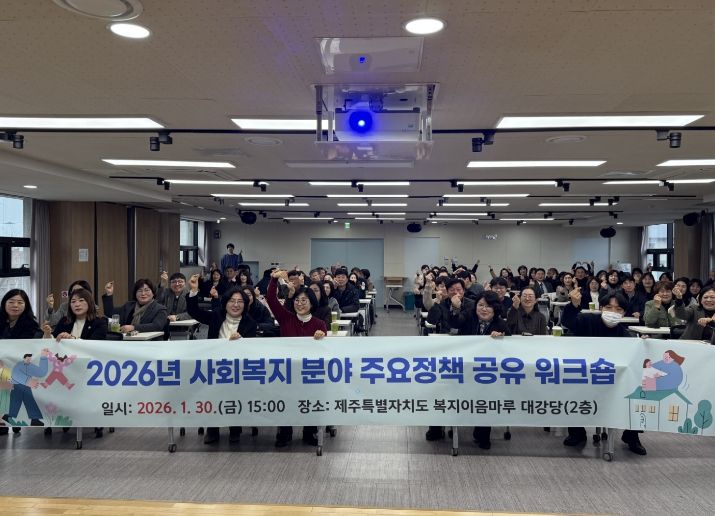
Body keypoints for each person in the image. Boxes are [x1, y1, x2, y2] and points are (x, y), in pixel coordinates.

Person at [561, 287, 646, 455]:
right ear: (601, 308)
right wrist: (573, 305)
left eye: (618, 309)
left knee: (637, 391)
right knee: (572, 387)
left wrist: (641, 344)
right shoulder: (587, 320)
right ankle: (577, 432)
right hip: (585, 377)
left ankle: (631, 435)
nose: (613, 312)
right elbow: (568, 322)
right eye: (608, 307)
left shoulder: (625, 334)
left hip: (613, 382)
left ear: (624, 313)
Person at [187, 275, 257, 444]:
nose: (235, 305)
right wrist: (194, 290)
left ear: (245, 305)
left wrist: (241, 341)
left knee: (236, 394)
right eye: (232, 301)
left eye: (240, 302)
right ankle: (212, 429)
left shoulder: (249, 323)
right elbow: (194, 312)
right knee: (213, 393)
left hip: (238, 368)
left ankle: (235, 429)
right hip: (214, 366)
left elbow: (250, 349)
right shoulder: (216, 316)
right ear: (225, 303)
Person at [266, 269, 327, 447]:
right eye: (297, 301)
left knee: (310, 400)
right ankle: (285, 433)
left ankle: (309, 432)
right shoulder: (286, 318)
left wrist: (322, 336)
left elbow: (324, 349)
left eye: (304, 301)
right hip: (288, 369)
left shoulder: (319, 324)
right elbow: (271, 300)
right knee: (286, 400)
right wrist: (273, 281)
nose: (300, 304)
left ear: (312, 303)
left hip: (310, 371)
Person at [456, 291, 509, 449]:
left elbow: (510, 346)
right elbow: (454, 322)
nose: (484, 309)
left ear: (495, 309)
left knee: (487, 397)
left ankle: (483, 434)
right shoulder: (468, 318)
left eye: (488, 306)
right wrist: (455, 308)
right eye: (480, 305)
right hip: (464, 368)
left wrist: (502, 338)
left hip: (488, 373)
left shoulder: (500, 324)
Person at [0, 289, 42, 436]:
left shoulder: (31, 325)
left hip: (19, 370)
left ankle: (16, 419)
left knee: (19, 394)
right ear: (4, 303)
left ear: (26, 305)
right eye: (11, 302)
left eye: (20, 302)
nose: (15, 305)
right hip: (1, 369)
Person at [102, 279, 168, 333]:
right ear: (135, 294)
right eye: (140, 291)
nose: (143, 293)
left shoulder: (160, 309)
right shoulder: (129, 306)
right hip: (126, 341)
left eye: (147, 290)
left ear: (153, 293)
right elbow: (110, 314)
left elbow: (157, 325)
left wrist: (133, 327)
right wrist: (109, 294)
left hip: (150, 342)